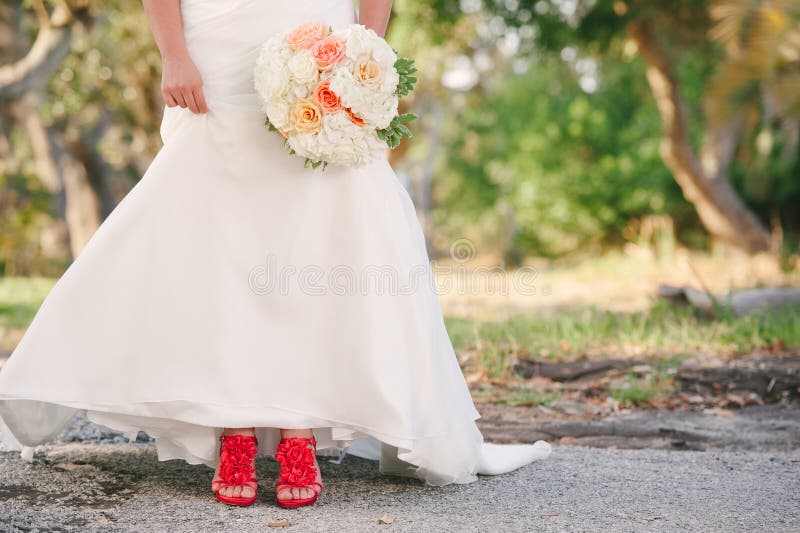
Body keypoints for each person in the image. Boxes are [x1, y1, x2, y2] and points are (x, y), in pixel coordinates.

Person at [0, 0, 550, 509]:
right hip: (219, 44)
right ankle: (233, 426)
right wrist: (173, 54)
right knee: (219, 238)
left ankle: (300, 427)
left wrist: (365, 54)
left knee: (319, 234)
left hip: (321, 29)